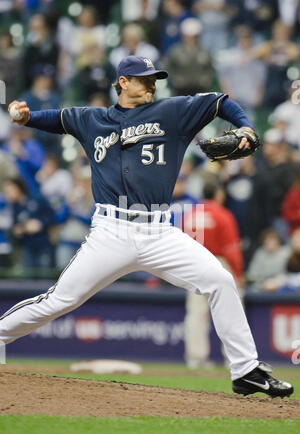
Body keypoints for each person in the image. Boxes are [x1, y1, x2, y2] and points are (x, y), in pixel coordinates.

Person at [0, 55, 293, 398]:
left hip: (160, 232)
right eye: (143, 78)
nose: (152, 83)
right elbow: (59, 119)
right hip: (110, 231)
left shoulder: (172, 111)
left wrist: (245, 126)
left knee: (219, 280)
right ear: (123, 82)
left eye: (154, 77)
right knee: (60, 300)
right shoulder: (93, 119)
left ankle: (246, 371)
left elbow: (219, 102)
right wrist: (27, 117)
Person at [183, 181, 244, 368]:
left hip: (194, 264)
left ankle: (195, 358)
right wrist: (238, 274)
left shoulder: (190, 214)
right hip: (219, 262)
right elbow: (231, 249)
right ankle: (234, 358)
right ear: (217, 193)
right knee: (229, 312)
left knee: (196, 314)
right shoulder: (222, 214)